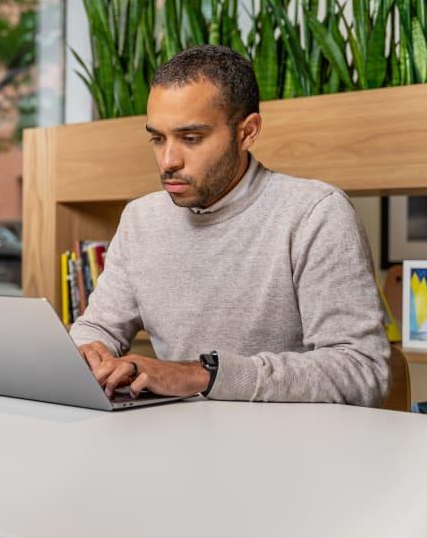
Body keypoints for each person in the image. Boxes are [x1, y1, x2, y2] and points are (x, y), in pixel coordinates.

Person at [71, 45, 390, 407]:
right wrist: (89, 350)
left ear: (247, 132)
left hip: (289, 449)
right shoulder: (141, 219)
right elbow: (98, 328)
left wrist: (202, 375)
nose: (168, 161)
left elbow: (363, 370)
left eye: (191, 138)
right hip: (174, 440)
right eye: (158, 139)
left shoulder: (315, 213)